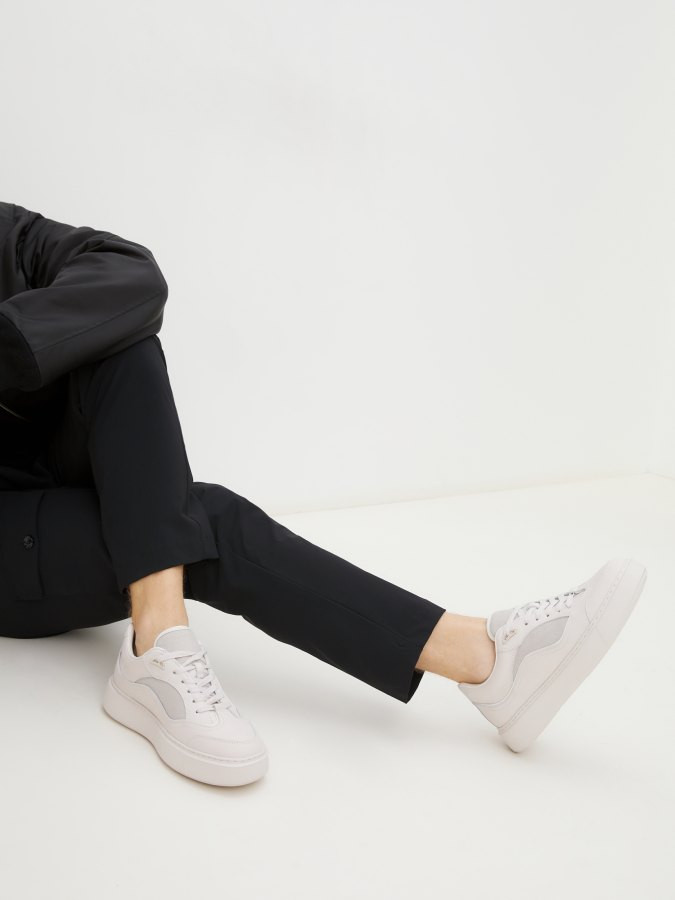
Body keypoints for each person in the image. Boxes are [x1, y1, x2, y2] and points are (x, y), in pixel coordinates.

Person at [0, 201, 647, 787]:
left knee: (121, 340)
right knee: (201, 523)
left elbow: (130, 273)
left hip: (47, 466)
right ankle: (480, 657)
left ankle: (489, 664)